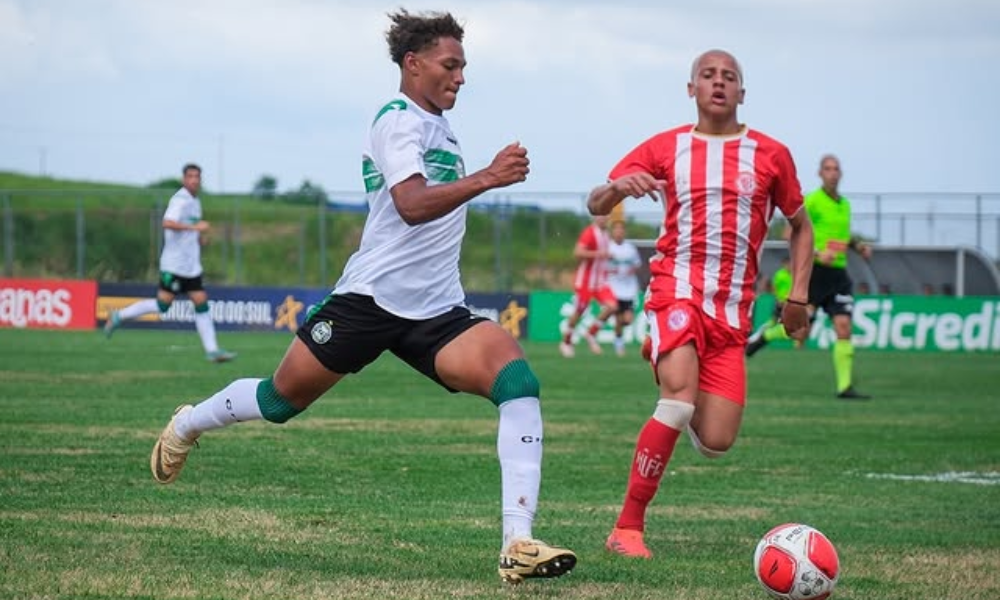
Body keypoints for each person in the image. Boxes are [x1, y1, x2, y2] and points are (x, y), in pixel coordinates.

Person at [148, 9, 575, 585]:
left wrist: (483, 178)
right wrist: (488, 178)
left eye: (464, 66)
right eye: (451, 65)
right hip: (369, 300)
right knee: (279, 403)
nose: (461, 78)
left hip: (437, 310)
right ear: (413, 63)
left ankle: (517, 542)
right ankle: (188, 424)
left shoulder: (440, 126)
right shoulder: (398, 119)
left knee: (517, 382)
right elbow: (411, 204)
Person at [586, 49, 814, 559]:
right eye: (707, 76)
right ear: (691, 89)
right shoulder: (668, 147)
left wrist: (797, 296)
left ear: (741, 93)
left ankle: (670, 360)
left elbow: (802, 226)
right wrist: (618, 186)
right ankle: (627, 528)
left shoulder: (771, 154)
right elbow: (596, 204)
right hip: (677, 290)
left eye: (728, 77)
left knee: (716, 440)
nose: (718, 83)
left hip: (733, 314)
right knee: (678, 400)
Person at [104, 163, 236, 363]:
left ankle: (212, 350)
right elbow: (167, 222)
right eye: (190, 176)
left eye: (197, 177)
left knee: (201, 303)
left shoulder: (195, 201)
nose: (194, 180)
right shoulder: (180, 199)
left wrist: (200, 238)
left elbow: (189, 230)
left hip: (191, 267)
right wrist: (194, 227)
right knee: (163, 305)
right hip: (174, 265)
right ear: (184, 179)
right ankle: (118, 316)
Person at [804, 154, 872, 400]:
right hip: (816, 272)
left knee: (843, 326)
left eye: (836, 169)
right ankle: (760, 339)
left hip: (839, 275)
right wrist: (817, 253)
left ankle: (845, 387)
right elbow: (792, 232)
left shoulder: (845, 205)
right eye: (828, 169)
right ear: (820, 173)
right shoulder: (811, 201)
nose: (832, 173)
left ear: (840, 174)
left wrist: (859, 245)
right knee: (800, 331)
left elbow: (844, 236)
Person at [559, 214, 618, 357]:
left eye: (606, 216)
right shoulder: (589, 233)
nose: (604, 219)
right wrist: (599, 254)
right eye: (601, 216)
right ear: (595, 218)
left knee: (612, 306)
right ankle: (566, 342)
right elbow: (578, 252)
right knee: (579, 312)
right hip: (585, 281)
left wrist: (609, 264)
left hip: (600, 282)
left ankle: (591, 333)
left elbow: (602, 258)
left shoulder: (605, 235)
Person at [745, 255, 795, 356]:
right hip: (781, 304)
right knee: (774, 323)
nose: (790, 266)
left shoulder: (794, 275)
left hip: (791, 304)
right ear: (784, 264)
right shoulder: (780, 275)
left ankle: (758, 337)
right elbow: (774, 287)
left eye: (791, 264)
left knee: (781, 324)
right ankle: (755, 337)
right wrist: (778, 298)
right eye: (788, 264)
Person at [607, 220, 643, 357]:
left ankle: (617, 335)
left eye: (621, 229)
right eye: (616, 229)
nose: (619, 232)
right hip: (614, 288)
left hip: (628, 289)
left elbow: (637, 264)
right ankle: (618, 342)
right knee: (617, 315)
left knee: (627, 320)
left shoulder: (630, 248)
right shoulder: (608, 248)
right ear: (612, 232)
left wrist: (632, 270)